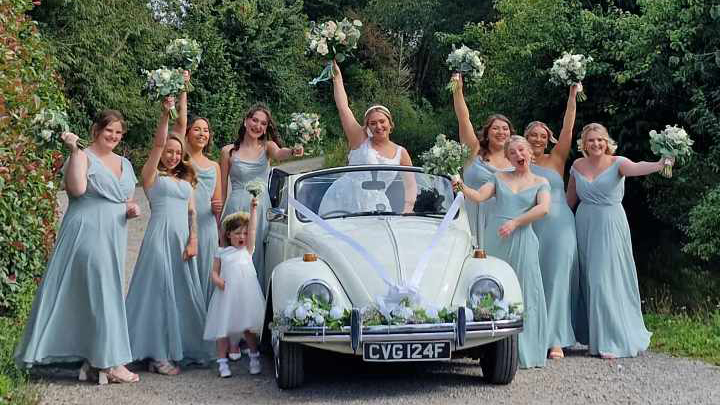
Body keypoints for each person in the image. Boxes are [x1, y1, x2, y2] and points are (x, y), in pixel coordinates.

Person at [15, 110, 140, 384]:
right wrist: (73, 150)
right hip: (86, 230)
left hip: (114, 234)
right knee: (103, 292)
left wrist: (130, 209)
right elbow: (77, 189)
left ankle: (91, 359)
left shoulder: (125, 163)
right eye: (110, 131)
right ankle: (110, 362)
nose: (114, 137)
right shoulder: (82, 156)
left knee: (98, 293)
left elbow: (126, 198)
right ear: (96, 129)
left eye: (119, 133)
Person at [567, 123, 670, 359]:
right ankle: (596, 338)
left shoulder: (618, 162)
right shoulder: (577, 165)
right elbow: (569, 200)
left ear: (607, 142)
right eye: (591, 140)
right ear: (583, 143)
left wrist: (659, 164)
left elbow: (637, 167)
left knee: (605, 278)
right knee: (590, 280)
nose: (596, 144)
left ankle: (611, 340)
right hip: (584, 224)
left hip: (610, 223)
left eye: (600, 140)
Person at [125, 97, 210, 375]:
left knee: (180, 294)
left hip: (182, 240)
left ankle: (176, 348)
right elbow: (160, 142)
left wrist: (194, 239)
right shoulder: (151, 176)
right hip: (159, 238)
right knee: (159, 293)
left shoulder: (186, 178)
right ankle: (158, 355)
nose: (172, 156)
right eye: (169, 152)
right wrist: (165, 115)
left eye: (177, 152)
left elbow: (192, 213)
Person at [457, 135, 550, 369]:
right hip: (496, 237)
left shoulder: (541, 182)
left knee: (526, 289)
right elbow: (478, 197)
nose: (519, 155)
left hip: (522, 238)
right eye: (513, 153)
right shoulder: (498, 178)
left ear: (530, 153)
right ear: (508, 158)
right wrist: (459, 184)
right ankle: (493, 350)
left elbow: (543, 209)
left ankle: (526, 350)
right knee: (492, 289)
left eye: (522, 151)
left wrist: (516, 222)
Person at [220, 104, 302, 293]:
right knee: (234, 253)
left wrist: (293, 151)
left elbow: (282, 153)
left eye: (263, 123)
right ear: (246, 121)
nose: (258, 126)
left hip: (260, 207)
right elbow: (222, 190)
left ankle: (254, 300)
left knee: (255, 251)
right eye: (254, 120)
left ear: (266, 128)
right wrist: (219, 219)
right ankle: (232, 298)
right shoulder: (228, 151)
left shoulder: (268, 147)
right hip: (236, 208)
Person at [524, 84, 581, 358]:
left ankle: (556, 337)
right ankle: (533, 333)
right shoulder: (517, 163)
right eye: (532, 135)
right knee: (534, 277)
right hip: (531, 224)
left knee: (558, 277)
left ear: (548, 139)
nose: (537, 139)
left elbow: (568, 130)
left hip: (560, 226)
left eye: (542, 135)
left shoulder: (556, 159)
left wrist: (572, 96)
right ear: (524, 139)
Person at [318, 60, 415, 216]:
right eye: (373, 123)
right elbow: (343, 108)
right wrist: (337, 76)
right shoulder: (360, 140)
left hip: (377, 204)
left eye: (382, 121)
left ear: (390, 124)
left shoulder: (401, 153)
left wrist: (408, 209)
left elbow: (410, 184)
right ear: (368, 127)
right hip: (343, 199)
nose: (378, 126)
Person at [171, 72, 223, 307]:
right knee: (183, 281)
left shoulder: (214, 166)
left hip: (208, 229)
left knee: (206, 281)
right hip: (183, 226)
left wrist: (218, 209)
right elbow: (179, 123)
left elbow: (218, 202)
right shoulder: (180, 158)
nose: (202, 133)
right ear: (188, 133)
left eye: (206, 130)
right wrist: (184, 87)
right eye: (197, 129)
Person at [450, 73, 513, 251]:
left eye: (505, 129)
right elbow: (463, 119)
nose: (501, 132)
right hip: (472, 215)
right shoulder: (474, 151)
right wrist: (457, 89)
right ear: (487, 132)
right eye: (496, 128)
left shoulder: (516, 159)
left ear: (510, 133)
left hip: (503, 221)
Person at [203, 201, 265, 377]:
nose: (242, 236)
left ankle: (254, 358)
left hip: (246, 295)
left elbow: (253, 229)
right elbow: (214, 272)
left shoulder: (248, 251)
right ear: (229, 234)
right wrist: (218, 281)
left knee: (248, 329)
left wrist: (253, 210)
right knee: (223, 329)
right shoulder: (221, 252)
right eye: (238, 233)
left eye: (245, 233)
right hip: (226, 295)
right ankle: (222, 363)